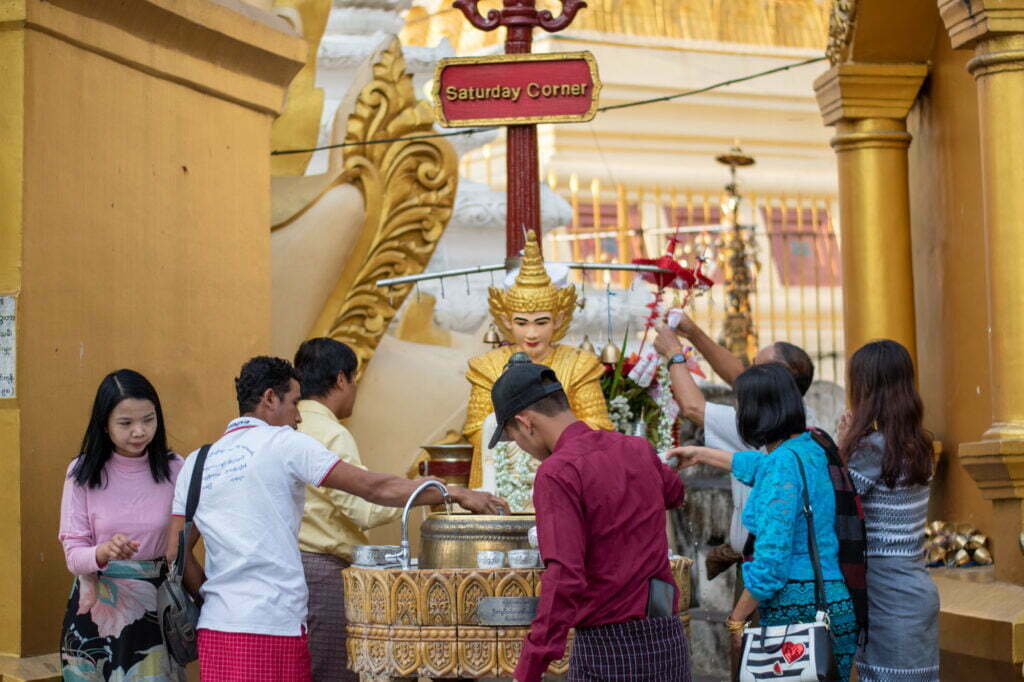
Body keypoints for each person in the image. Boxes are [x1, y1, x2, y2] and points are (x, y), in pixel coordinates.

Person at [166, 356, 507, 682]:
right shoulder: (286, 444)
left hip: (215, 629)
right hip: (272, 624)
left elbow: (175, 553)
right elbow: (374, 488)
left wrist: (212, 597)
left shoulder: (197, 461)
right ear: (270, 399)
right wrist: (456, 492)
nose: (299, 417)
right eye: (294, 402)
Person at [489, 356, 691, 682]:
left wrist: (530, 666)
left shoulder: (558, 472)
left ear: (525, 423)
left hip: (608, 646)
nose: (523, 448)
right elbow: (675, 493)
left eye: (514, 439)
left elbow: (565, 576)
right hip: (666, 635)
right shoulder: (635, 449)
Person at [668, 363, 859, 681]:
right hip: (831, 603)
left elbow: (771, 564)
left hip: (797, 609)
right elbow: (762, 465)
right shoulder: (808, 448)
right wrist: (701, 454)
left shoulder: (782, 465)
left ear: (758, 411)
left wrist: (736, 618)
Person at [653, 313, 821, 559]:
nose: (748, 373)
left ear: (777, 377)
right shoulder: (799, 416)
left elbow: (692, 408)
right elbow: (740, 377)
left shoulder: (761, 425)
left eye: (757, 367)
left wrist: (674, 354)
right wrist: (694, 333)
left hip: (765, 561)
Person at [462, 231, 612, 504]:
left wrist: (549, 445)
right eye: (522, 323)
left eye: (541, 322)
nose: (531, 333)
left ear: (559, 319)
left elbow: (598, 427)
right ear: (506, 320)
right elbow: (476, 430)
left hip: (568, 474)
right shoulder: (486, 367)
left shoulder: (580, 365)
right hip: (503, 485)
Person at [58, 369, 185, 681]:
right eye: (126, 423)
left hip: (155, 610)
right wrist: (103, 551)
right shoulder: (82, 472)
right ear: (105, 424)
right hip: (95, 607)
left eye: (148, 419)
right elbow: (73, 555)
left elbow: (187, 540)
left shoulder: (174, 469)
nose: (139, 431)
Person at [293, 338, 401, 682]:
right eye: (355, 381)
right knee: (332, 670)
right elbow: (364, 511)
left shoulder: (286, 427)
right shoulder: (330, 433)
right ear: (341, 379)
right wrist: (414, 492)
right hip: (323, 571)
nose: (355, 390)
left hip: (288, 567)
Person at [838, 340, 938, 682]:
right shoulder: (917, 445)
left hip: (886, 596)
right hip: (915, 590)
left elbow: (834, 499)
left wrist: (843, 443)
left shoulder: (870, 449)